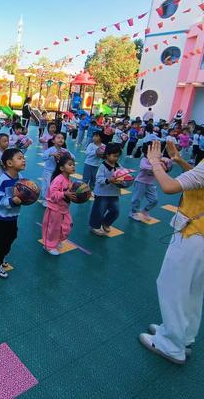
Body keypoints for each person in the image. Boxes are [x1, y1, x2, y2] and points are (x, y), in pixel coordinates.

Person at [138, 141, 204, 365]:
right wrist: (178, 160)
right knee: (193, 290)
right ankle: (183, 336)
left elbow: (169, 186)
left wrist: (155, 162)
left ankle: (171, 344)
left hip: (193, 235)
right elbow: (198, 178)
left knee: (172, 286)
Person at [0, 148, 25, 278]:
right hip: (2, 217)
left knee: (12, 236)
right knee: (0, 240)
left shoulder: (21, 178)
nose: (23, 160)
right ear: (9, 163)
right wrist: (11, 201)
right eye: (19, 158)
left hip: (13, 215)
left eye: (23, 158)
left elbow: (23, 193)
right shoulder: (3, 179)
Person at [42, 155, 76, 255]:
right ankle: (48, 246)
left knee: (67, 226)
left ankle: (57, 240)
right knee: (53, 229)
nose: (73, 166)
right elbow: (52, 195)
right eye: (70, 164)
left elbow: (69, 194)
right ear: (61, 168)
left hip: (65, 209)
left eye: (73, 164)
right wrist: (64, 193)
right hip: (54, 209)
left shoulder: (69, 180)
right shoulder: (58, 179)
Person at [89, 143, 123, 236]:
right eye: (114, 156)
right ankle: (94, 226)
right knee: (99, 211)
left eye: (118, 156)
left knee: (116, 211)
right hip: (102, 194)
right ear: (107, 155)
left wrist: (125, 178)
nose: (116, 158)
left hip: (114, 193)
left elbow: (122, 173)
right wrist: (109, 180)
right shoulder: (103, 166)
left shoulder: (118, 165)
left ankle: (106, 222)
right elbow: (99, 179)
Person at [129, 142, 160, 222]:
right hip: (140, 182)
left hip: (151, 183)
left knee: (154, 200)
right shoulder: (144, 159)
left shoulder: (157, 160)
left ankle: (145, 210)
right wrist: (156, 166)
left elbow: (165, 165)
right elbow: (144, 167)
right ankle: (133, 212)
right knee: (137, 199)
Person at [40, 133, 73, 206]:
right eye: (58, 138)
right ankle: (45, 199)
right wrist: (52, 154)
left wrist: (67, 155)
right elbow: (43, 157)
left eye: (62, 138)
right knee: (47, 185)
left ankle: (55, 197)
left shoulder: (64, 150)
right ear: (53, 141)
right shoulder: (50, 149)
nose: (61, 139)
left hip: (58, 172)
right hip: (49, 171)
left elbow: (73, 157)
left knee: (56, 186)